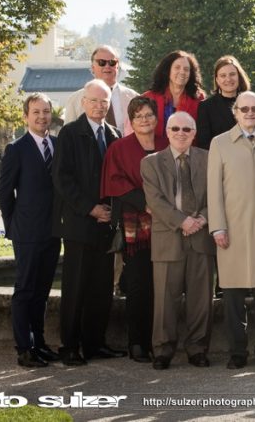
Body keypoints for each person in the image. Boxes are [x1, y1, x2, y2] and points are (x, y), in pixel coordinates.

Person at [52, 79, 124, 366]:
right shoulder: (69, 134)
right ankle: (69, 346)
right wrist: (90, 208)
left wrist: (111, 212)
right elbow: (62, 179)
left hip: (106, 225)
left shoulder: (115, 134)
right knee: (75, 288)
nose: (99, 106)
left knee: (101, 289)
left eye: (104, 102)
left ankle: (95, 343)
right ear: (83, 102)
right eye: (94, 101)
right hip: (80, 224)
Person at [207, 91, 255, 369]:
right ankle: (237, 351)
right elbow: (214, 191)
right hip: (231, 229)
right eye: (244, 108)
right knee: (233, 295)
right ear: (235, 112)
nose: (250, 113)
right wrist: (217, 227)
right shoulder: (219, 143)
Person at [141, 112, 215, 369]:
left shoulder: (209, 158)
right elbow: (155, 201)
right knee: (165, 299)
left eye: (186, 129)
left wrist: (201, 220)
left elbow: (217, 195)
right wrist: (183, 221)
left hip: (201, 236)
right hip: (168, 238)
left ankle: (198, 349)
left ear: (194, 133)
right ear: (167, 132)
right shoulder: (150, 163)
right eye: (175, 129)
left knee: (201, 299)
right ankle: (162, 350)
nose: (180, 133)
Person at [0, 93, 62, 368]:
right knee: (25, 290)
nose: (41, 117)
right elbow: (4, 192)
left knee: (42, 291)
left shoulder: (58, 145)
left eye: (46, 111)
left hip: (52, 231)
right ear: (26, 116)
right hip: (26, 232)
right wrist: (12, 226)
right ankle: (24, 348)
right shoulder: (17, 149)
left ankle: (40, 343)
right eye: (36, 112)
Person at [100, 96, 159, 364]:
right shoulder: (120, 148)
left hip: (167, 225)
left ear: (156, 118)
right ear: (131, 121)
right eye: (138, 116)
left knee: (164, 287)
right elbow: (115, 182)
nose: (144, 120)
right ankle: (137, 342)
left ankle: (159, 340)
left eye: (149, 115)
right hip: (136, 228)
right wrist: (144, 202)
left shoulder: (168, 142)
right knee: (138, 285)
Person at [63, 45, 139, 135]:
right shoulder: (75, 99)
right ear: (92, 67)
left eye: (112, 62)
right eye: (102, 62)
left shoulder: (133, 98)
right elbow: (68, 135)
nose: (107, 66)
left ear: (118, 66)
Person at [141, 50, 206, 150]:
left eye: (186, 69)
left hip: (188, 156)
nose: (182, 72)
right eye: (177, 67)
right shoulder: (148, 98)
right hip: (154, 155)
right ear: (168, 71)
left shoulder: (199, 98)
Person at [196, 55, 251, 149]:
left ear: (239, 76)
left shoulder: (251, 102)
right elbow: (203, 144)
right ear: (217, 80)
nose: (228, 79)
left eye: (232, 74)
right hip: (220, 161)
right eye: (223, 76)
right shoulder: (206, 107)